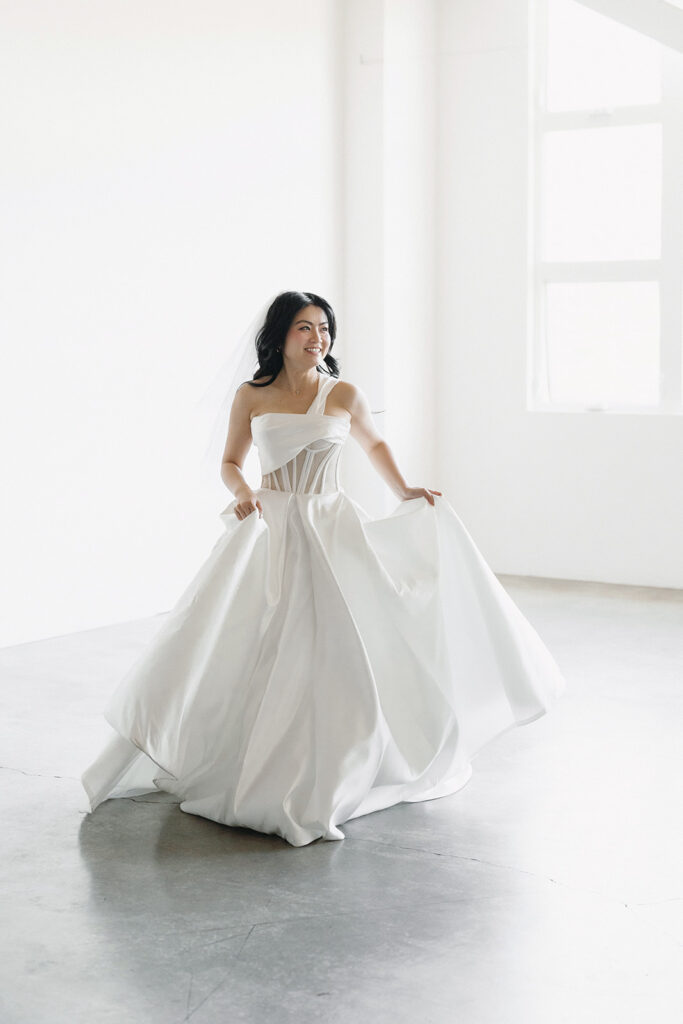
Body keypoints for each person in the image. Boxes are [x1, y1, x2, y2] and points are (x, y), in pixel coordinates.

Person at [82, 290, 566, 847]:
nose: (318, 339)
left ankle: (334, 766)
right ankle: (254, 764)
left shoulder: (343, 394)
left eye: (325, 329)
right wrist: (244, 494)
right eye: (305, 329)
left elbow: (375, 443)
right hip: (273, 525)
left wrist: (405, 489)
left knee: (336, 646)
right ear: (280, 336)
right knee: (257, 644)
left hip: (331, 525)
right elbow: (231, 462)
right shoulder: (252, 395)